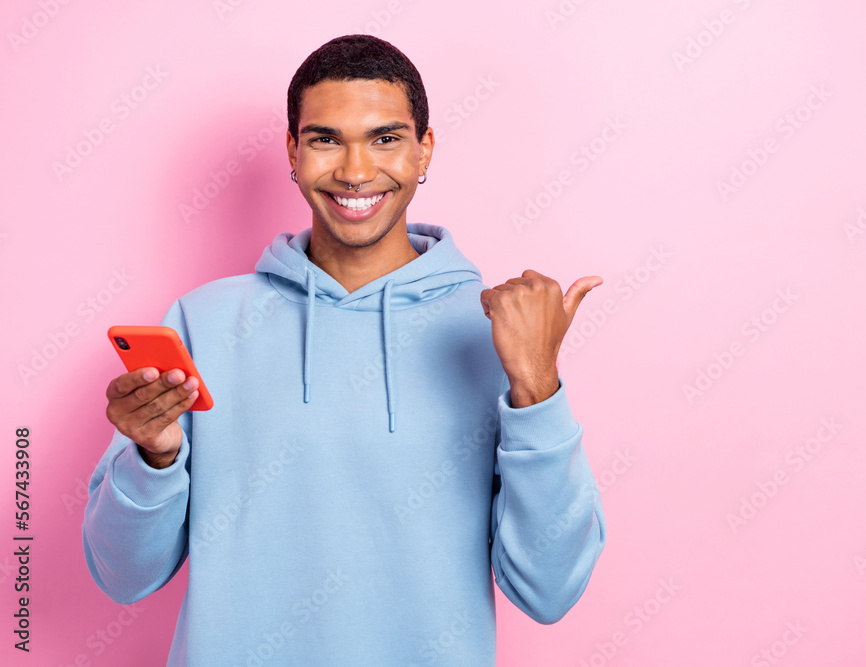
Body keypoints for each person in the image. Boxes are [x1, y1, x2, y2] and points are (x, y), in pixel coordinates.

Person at [82, 34, 606, 666]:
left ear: (424, 151)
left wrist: (537, 387)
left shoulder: (496, 331)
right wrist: (153, 459)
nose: (356, 172)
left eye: (385, 138)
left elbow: (549, 590)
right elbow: (122, 576)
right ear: (293, 152)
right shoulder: (203, 321)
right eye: (326, 139)